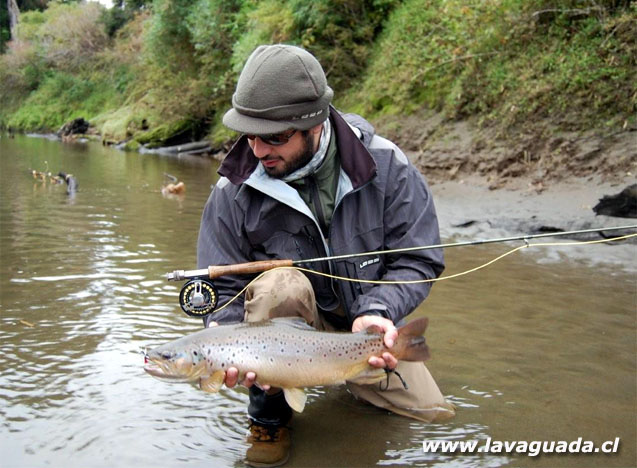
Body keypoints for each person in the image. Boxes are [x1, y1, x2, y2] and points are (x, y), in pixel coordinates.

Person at [197, 44, 455, 467]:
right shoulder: (232, 192)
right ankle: (270, 419)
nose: (259, 150)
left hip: (365, 324)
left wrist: (378, 311)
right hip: (281, 335)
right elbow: (221, 290)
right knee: (280, 284)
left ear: (314, 123)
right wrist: (224, 344)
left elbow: (420, 259)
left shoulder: (388, 167)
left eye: (275, 136)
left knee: (433, 418)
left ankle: (356, 385)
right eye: (250, 134)